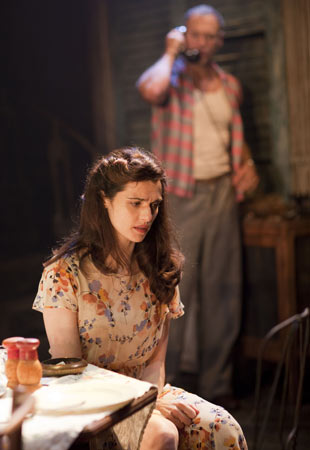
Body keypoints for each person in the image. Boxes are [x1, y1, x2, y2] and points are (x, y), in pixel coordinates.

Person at [33, 147, 247, 449]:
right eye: (135, 203)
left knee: (223, 427)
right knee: (163, 434)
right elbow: (72, 374)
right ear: (105, 200)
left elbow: (154, 364)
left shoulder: (161, 268)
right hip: (91, 404)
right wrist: (142, 404)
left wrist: (152, 399)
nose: (147, 216)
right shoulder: (64, 273)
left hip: (148, 391)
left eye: (154, 205)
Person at [136, 4, 259, 408]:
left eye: (210, 37)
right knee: (180, 282)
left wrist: (247, 165)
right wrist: (170, 52)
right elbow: (148, 90)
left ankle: (218, 379)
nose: (202, 44)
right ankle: (179, 379)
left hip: (222, 189)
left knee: (223, 285)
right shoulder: (170, 79)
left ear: (219, 41)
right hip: (182, 192)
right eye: (195, 35)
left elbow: (233, 136)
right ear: (185, 35)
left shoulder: (229, 84)